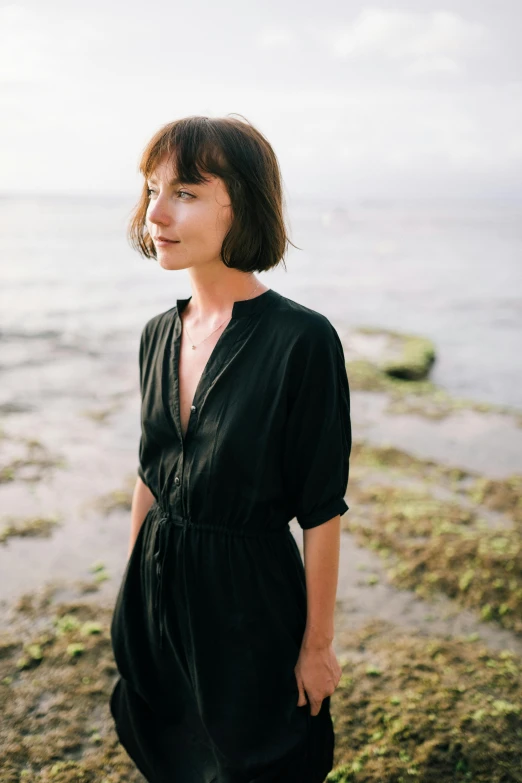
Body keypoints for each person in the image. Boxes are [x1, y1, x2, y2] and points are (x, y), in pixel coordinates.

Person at [109, 114, 352, 783]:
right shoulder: (157, 334)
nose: (156, 212)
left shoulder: (302, 341)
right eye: (152, 189)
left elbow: (322, 510)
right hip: (158, 595)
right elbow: (151, 474)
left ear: (239, 204)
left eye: (184, 191)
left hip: (251, 607)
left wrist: (317, 645)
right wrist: (134, 595)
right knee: (168, 752)